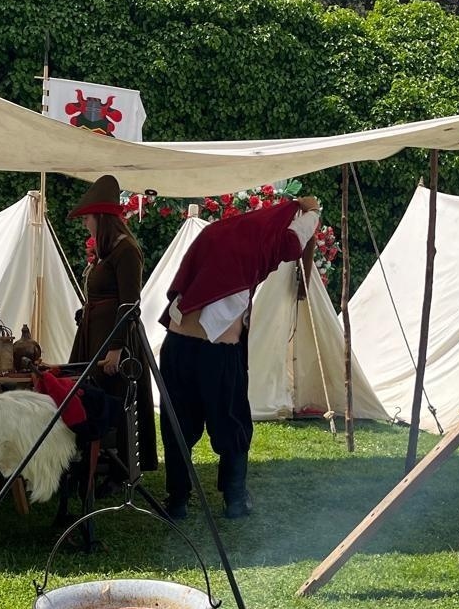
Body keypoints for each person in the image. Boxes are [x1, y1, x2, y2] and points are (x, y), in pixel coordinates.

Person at [159, 194, 320, 519]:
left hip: (177, 346)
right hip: (217, 353)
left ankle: (177, 500)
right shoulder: (259, 244)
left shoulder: (212, 235)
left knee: (177, 425)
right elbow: (294, 241)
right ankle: (234, 498)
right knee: (231, 423)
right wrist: (313, 211)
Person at [68, 175, 158, 477]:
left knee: (118, 401)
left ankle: (122, 470)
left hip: (115, 341)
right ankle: (94, 462)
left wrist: (117, 348)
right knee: (94, 398)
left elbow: (130, 303)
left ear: (102, 219)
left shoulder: (126, 251)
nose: (85, 225)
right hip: (94, 335)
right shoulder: (108, 253)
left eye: (88, 218)